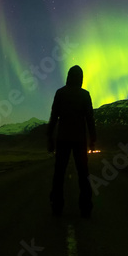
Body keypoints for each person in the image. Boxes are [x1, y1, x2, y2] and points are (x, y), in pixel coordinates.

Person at [47, 64, 96, 218]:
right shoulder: (85, 95)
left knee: (59, 174)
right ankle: (86, 208)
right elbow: (90, 119)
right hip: (79, 140)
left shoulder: (60, 93)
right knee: (83, 174)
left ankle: (57, 207)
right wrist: (92, 138)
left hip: (62, 139)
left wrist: (49, 137)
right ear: (80, 78)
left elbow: (54, 117)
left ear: (68, 77)